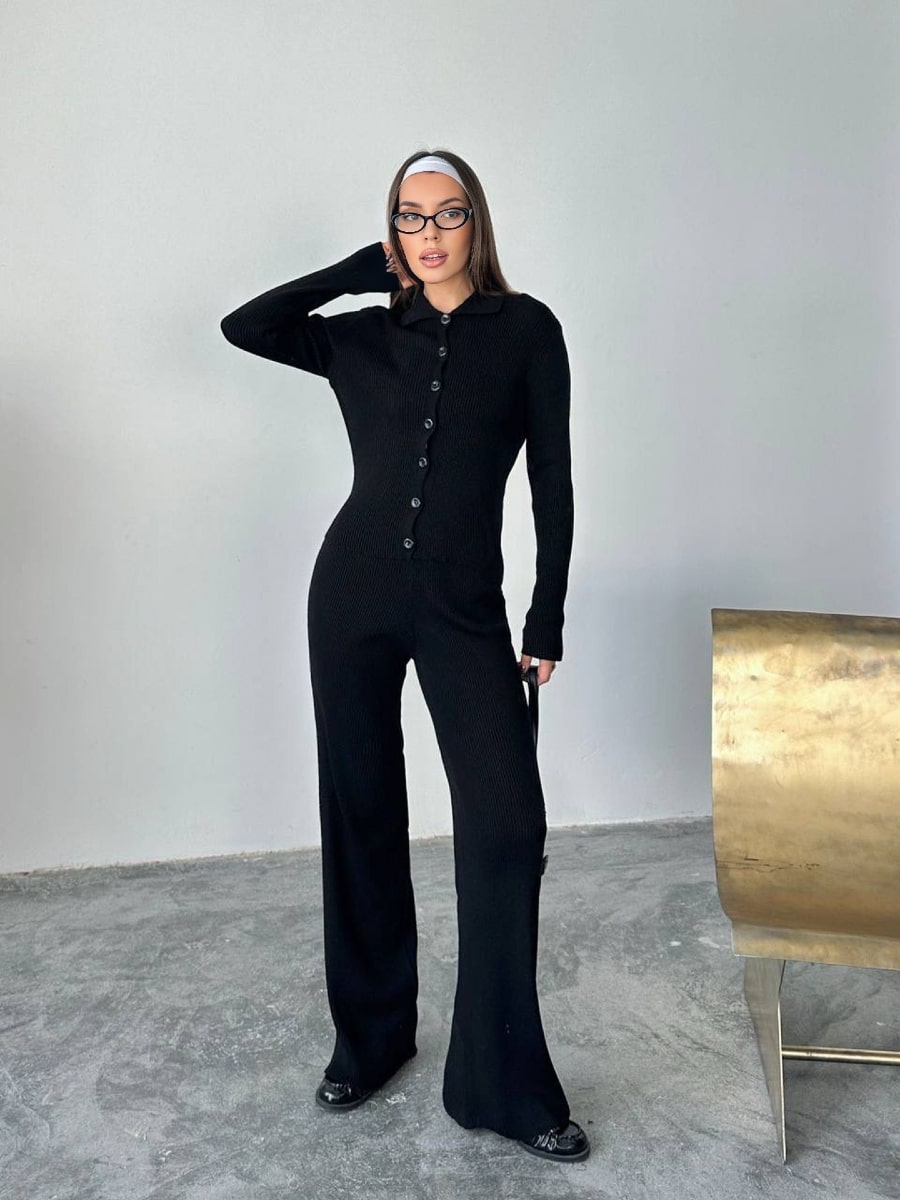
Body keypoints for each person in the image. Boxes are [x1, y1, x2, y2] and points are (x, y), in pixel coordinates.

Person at [220, 149, 586, 1162]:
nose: (430, 234)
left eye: (448, 214)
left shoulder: (528, 331)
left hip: (465, 610)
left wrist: (545, 619)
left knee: (506, 825)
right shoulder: (364, 334)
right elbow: (246, 326)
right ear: (393, 232)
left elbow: (552, 483)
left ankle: (500, 1084)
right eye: (410, 218)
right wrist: (352, 272)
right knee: (361, 809)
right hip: (351, 596)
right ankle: (372, 1039)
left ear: (478, 223)